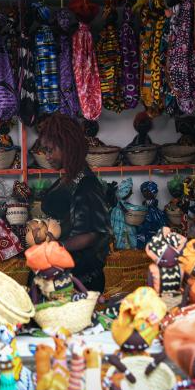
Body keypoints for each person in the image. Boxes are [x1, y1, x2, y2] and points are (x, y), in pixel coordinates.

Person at [37, 113, 113, 292]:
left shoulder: (86, 183)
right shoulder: (69, 178)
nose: (47, 156)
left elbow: (90, 235)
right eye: (45, 151)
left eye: (50, 150)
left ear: (67, 147)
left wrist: (57, 246)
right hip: (61, 271)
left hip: (80, 279)